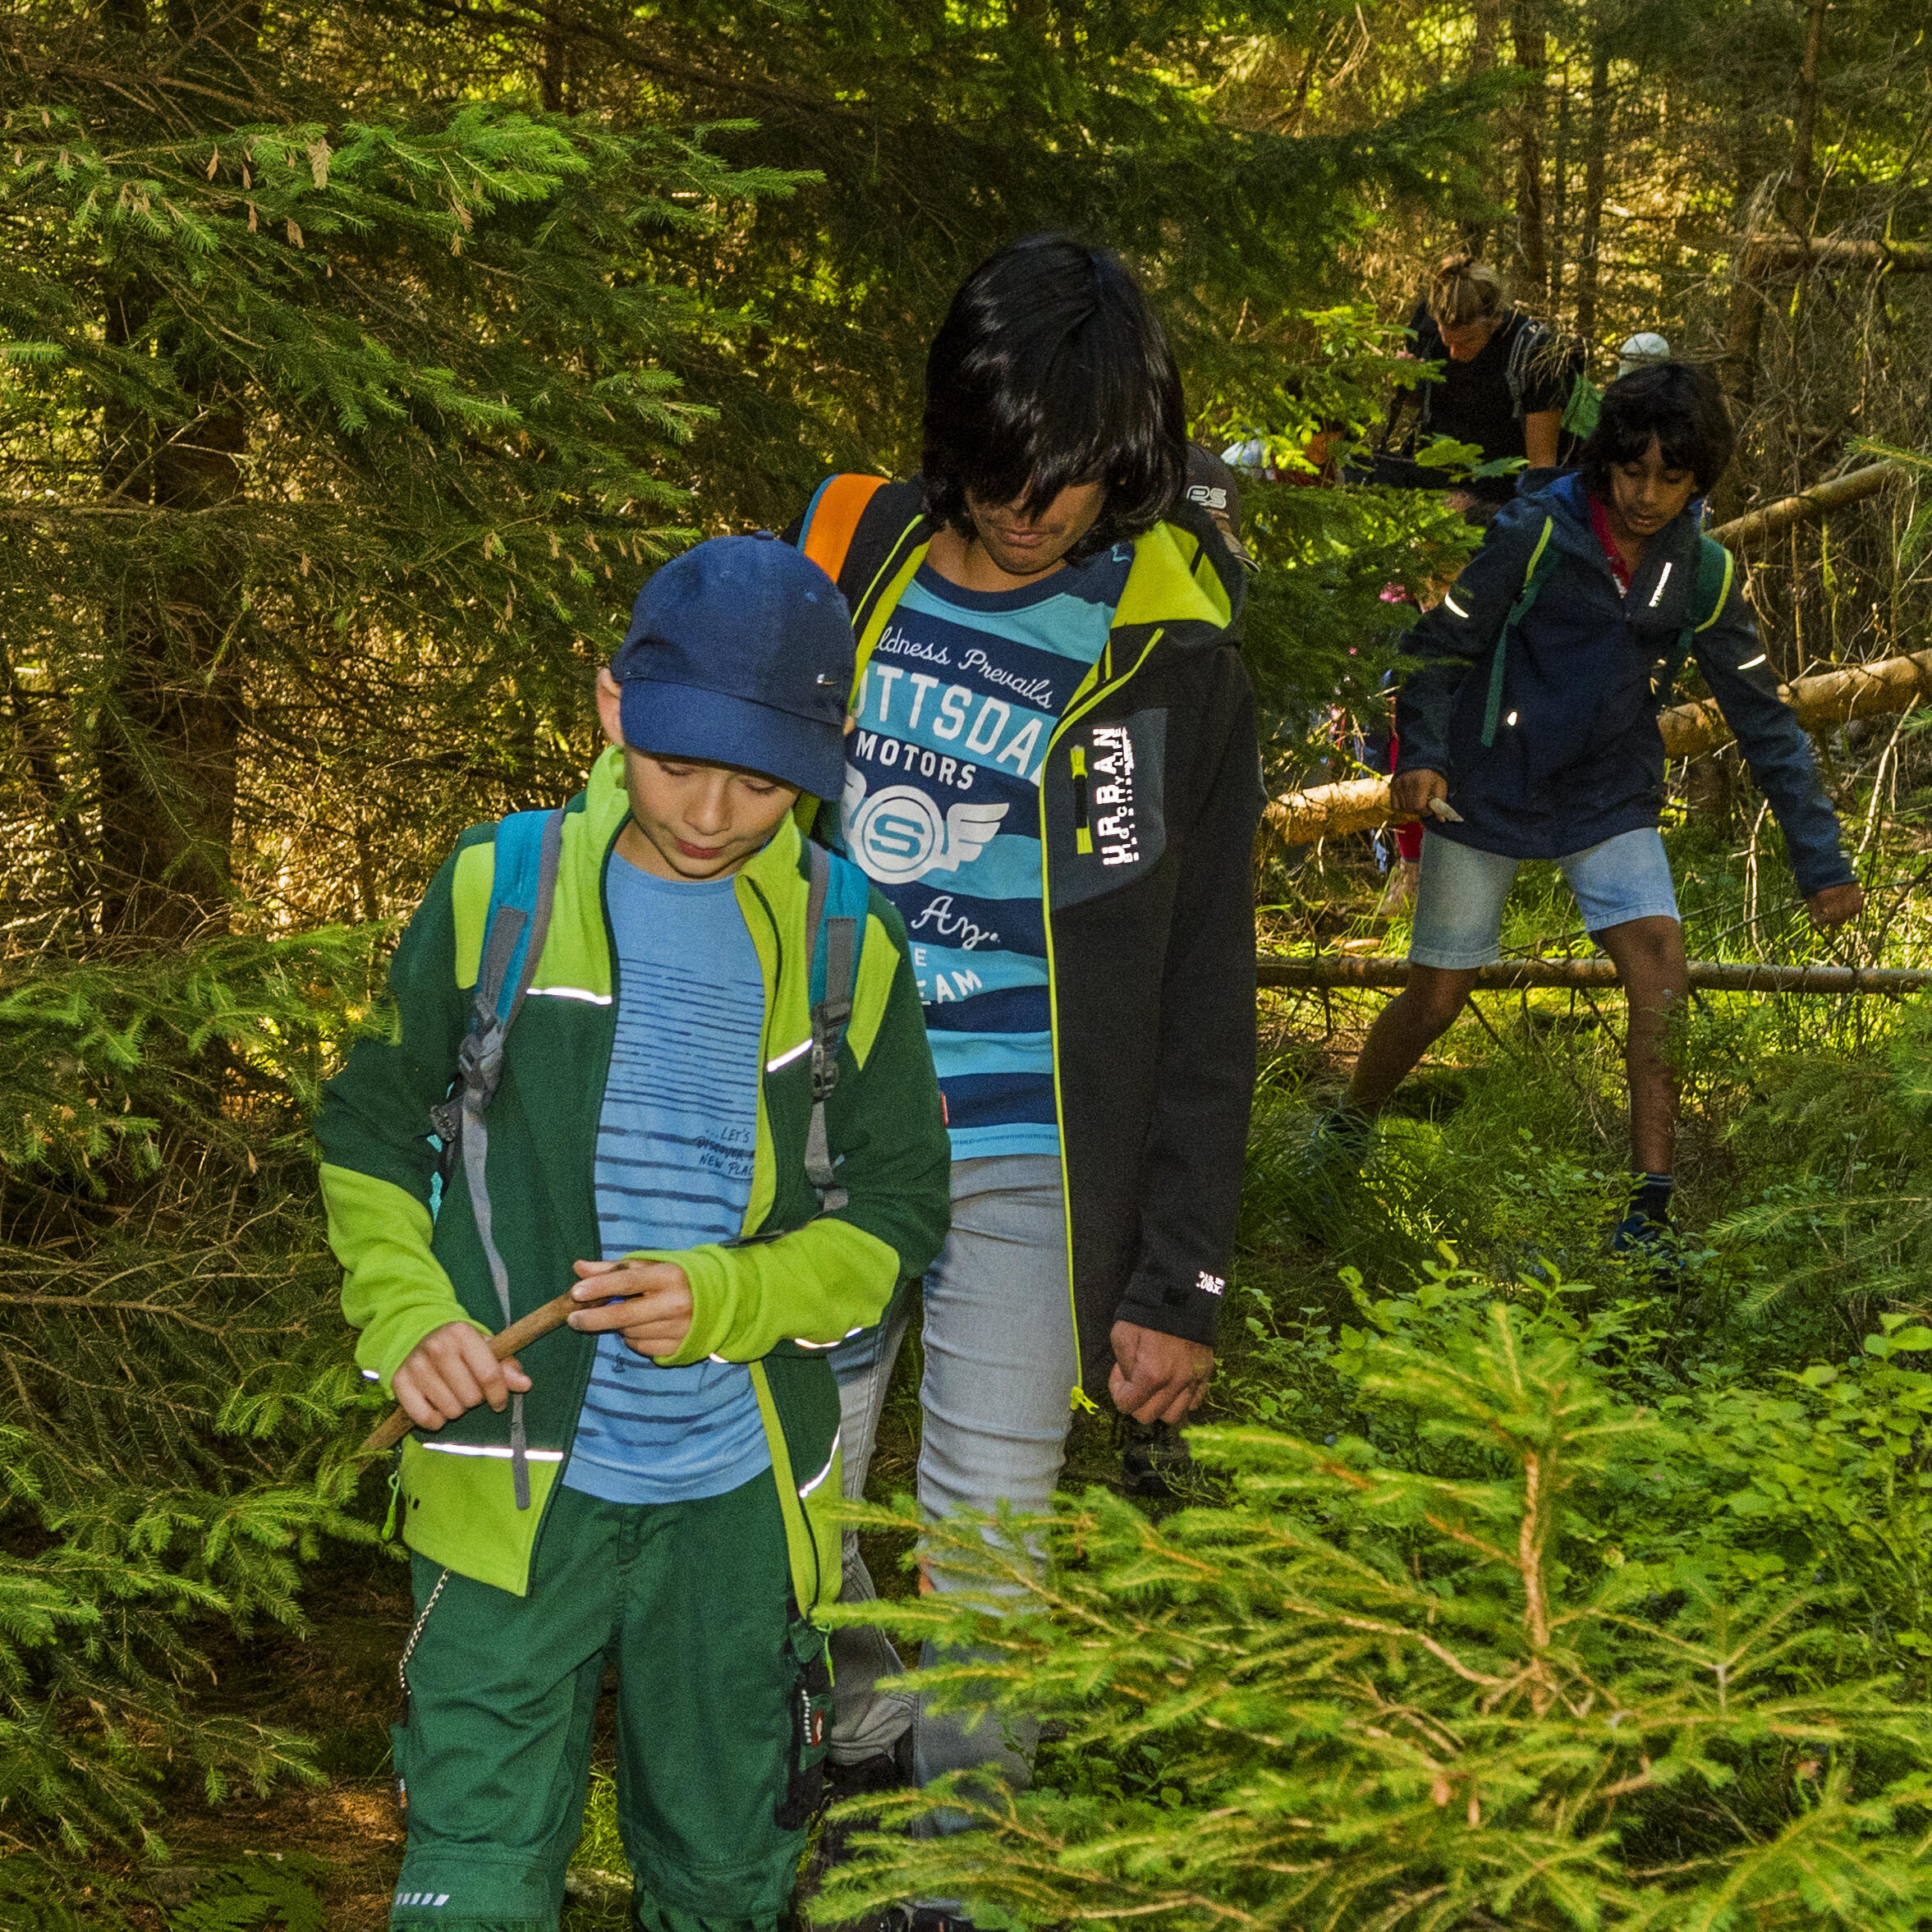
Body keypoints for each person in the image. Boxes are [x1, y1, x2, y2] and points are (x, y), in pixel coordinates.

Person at [316, 536, 952, 1932]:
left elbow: (898, 1210)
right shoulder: (504, 891)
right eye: (682, 766)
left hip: (735, 1509)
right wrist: (410, 1318)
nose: (717, 812)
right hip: (506, 1493)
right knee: (470, 1876)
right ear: (611, 708)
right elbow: (370, 1126)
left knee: (724, 1874)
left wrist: (733, 1290)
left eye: (763, 779)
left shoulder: (850, 941)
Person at [785, 235, 1264, 1859]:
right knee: (796, 1502)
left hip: (1028, 1168)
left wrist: (1176, 1272)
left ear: (1129, 462)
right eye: (1000, 466)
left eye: (1067, 477)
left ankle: (959, 1863)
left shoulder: (1170, 649)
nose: (1027, 508)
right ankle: (850, 1734)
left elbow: (1208, 983)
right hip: (826, 1145)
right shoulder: (850, 555)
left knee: (991, 1544)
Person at [1329, 360, 1865, 1249]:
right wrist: (1421, 757)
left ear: (1698, 481)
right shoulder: (1536, 532)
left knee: (1660, 971)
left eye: (1672, 478)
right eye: (1631, 472)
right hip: (1489, 782)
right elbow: (1438, 645)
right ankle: (1345, 1128)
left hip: (1608, 789)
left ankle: (1648, 1208)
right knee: (1436, 995)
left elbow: (1763, 720)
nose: (1648, 495)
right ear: (1605, 461)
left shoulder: (1703, 571)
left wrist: (1821, 861)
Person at [1392, 253, 1579, 516]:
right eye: (1448, 342)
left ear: (1496, 319)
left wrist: (1485, 513)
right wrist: (1406, 379)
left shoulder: (1534, 352)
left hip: (1504, 503)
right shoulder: (1427, 324)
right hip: (1435, 491)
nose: (1455, 353)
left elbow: (1541, 472)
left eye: (1467, 342)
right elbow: (1421, 401)